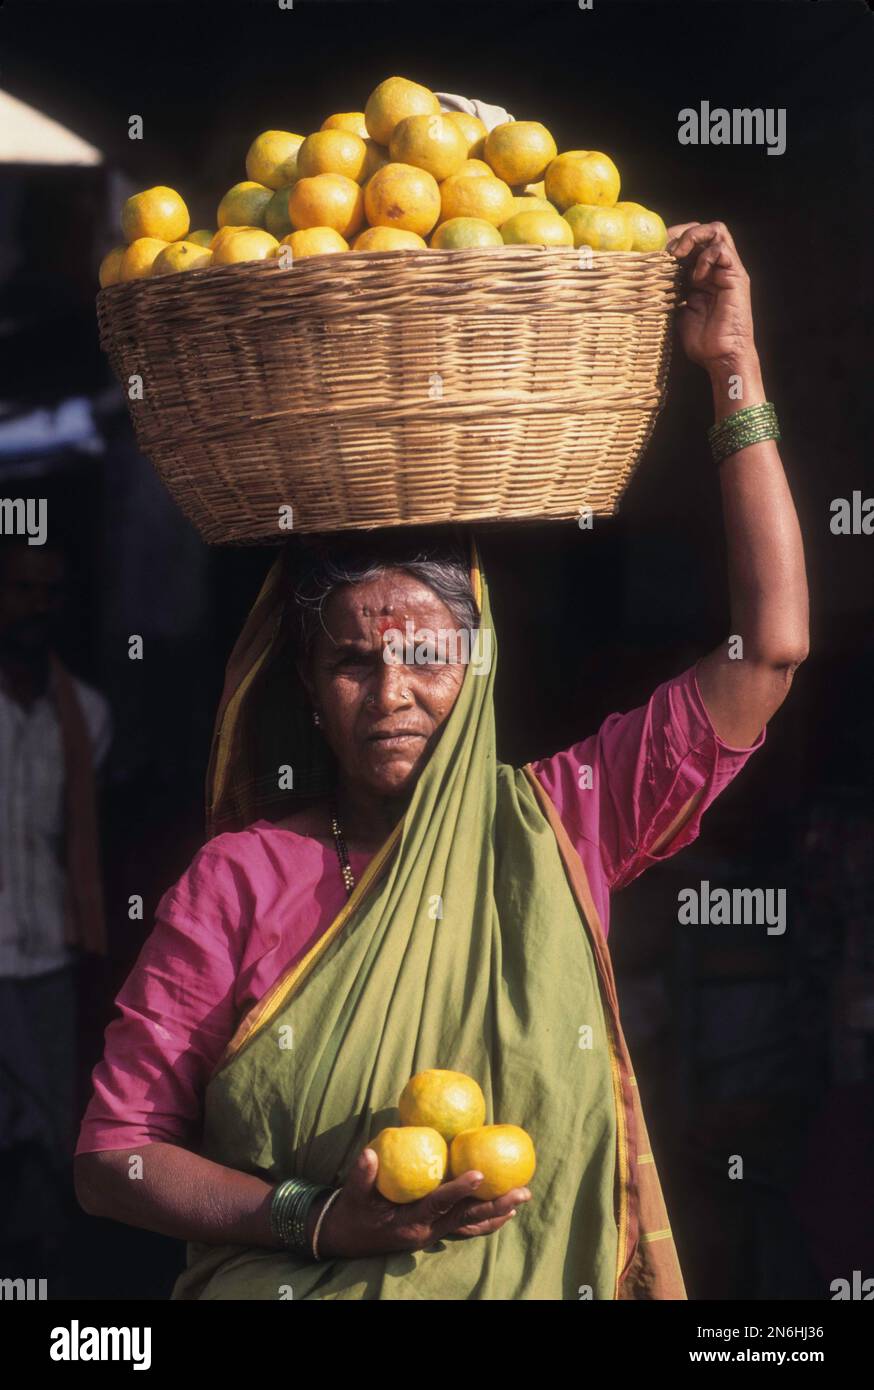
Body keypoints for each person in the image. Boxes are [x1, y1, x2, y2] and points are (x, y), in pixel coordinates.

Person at [73, 220, 808, 1300]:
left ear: (479, 663)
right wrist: (317, 1218)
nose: (391, 693)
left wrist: (729, 365)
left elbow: (772, 642)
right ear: (307, 694)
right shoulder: (239, 879)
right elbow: (113, 1157)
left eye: (427, 655)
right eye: (351, 665)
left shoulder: (568, 821)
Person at [0, 533, 111, 1274]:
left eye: (52, 592)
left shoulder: (87, 714)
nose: (39, 607)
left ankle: (42, 1277)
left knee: (48, 1126)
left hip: (49, 956)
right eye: (22, 588)